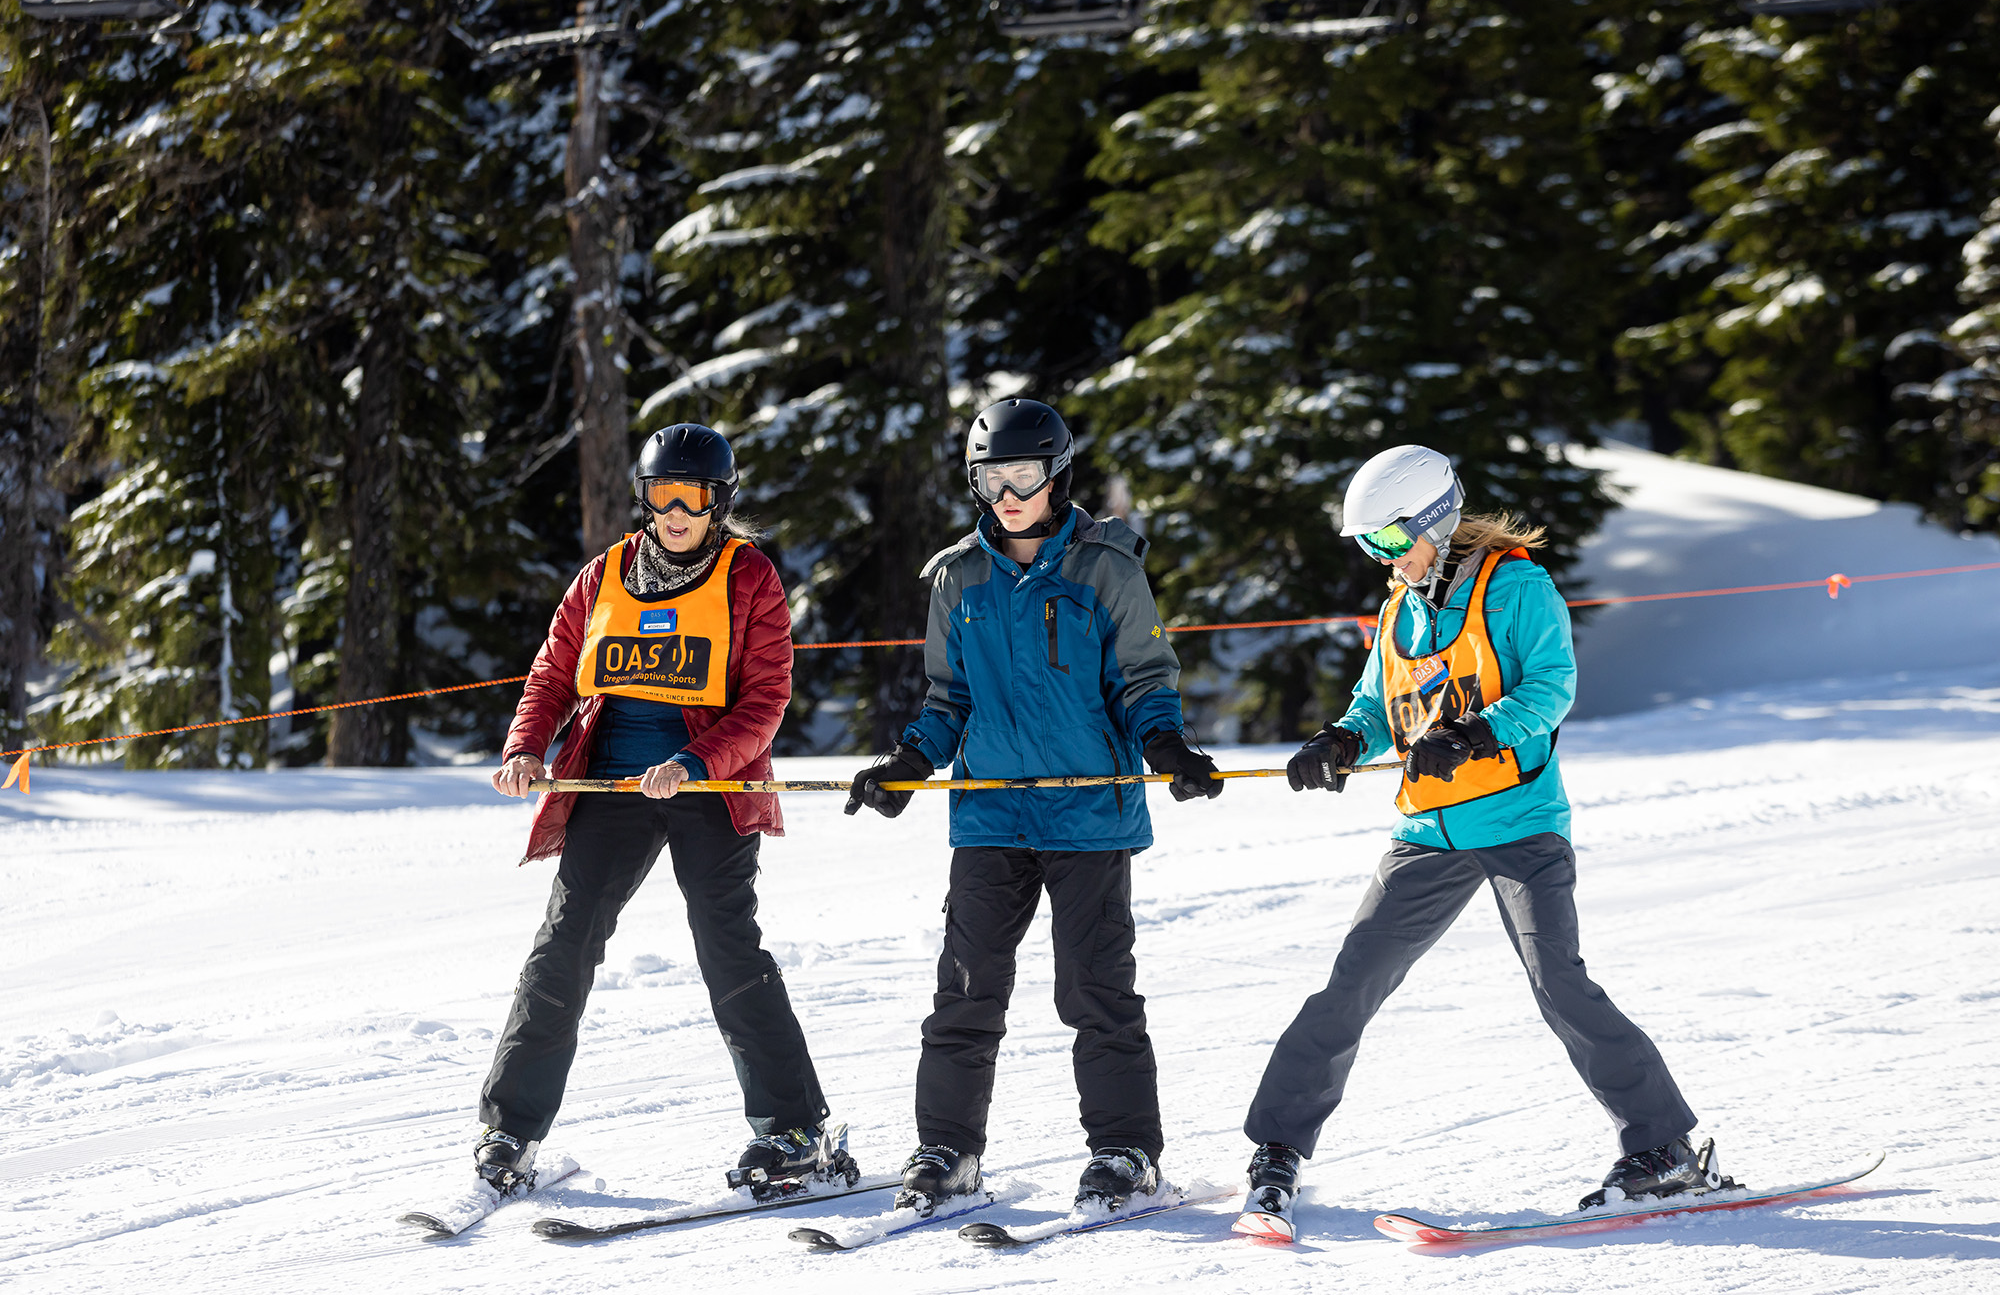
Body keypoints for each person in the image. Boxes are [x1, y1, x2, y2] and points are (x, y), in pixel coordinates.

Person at [1238, 444, 1709, 1231]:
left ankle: (1664, 1149)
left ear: (1434, 521)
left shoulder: (1517, 586)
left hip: (1522, 825)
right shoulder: (1401, 609)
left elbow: (1553, 685)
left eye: (1389, 540)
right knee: (1350, 983)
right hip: (1427, 832)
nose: (1381, 559)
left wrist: (1477, 733)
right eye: (1368, 546)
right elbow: (1374, 704)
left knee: (1559, 983)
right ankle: (1277, 1150)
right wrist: (1340, 741)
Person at [846, 399, 1223, 1216]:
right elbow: (948, 698)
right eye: (991, 478)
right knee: (966, 988)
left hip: (1087, 813)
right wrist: (909, 762)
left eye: (1023, 476)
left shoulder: (1106, 568)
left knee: (1094, 989)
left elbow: (1145, 682)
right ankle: (948, 1150)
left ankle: (1126, 1152)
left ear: (1057, 475)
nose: (1008, 494)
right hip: (991, 813)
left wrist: (1166, 747)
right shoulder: (958, 578)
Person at [478, 423, 853, 1202]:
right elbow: (553, 672)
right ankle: (510, 1128)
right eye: (661, 495)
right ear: (642, 497)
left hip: (708, 787)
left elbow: (765, 700)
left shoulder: (749, 577)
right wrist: (525, 748)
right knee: (564, 942)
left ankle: (793, 1129)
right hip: (610, 785)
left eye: (695, 497)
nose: (676, 512)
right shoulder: (605, 573)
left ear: (721, 501)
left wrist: (691, 764)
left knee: (726, 945)